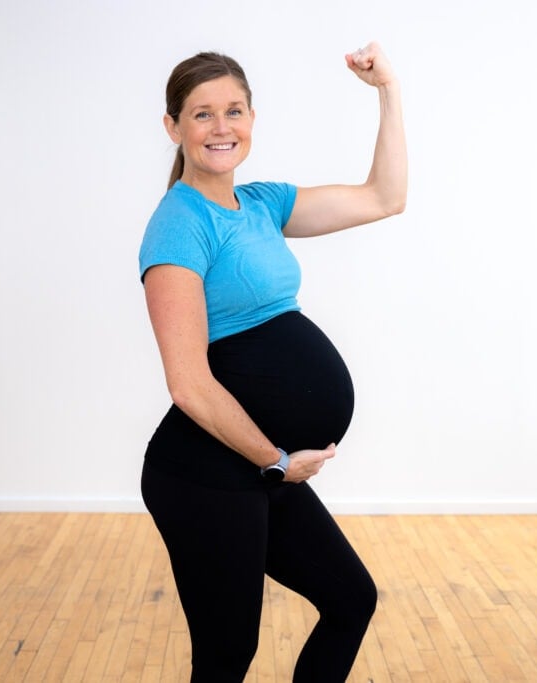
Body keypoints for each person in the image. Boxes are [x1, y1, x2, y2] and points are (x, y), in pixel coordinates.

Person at [137, 42, 407, 682]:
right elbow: (189, 385)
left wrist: (388, 91)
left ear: (253, 119)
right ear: (173, 128)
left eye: (234, 110)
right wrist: (278, 462)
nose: (221, 127)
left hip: (255, 468)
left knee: (349, 600)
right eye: (202, 114)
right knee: (227, 655)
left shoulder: (261, 205)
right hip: (205, 474)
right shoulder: (179, 225)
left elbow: (383, 198)